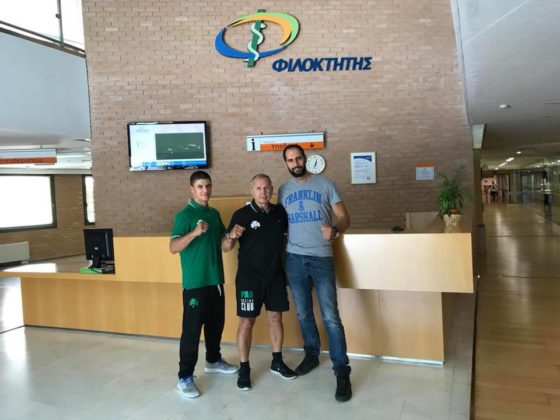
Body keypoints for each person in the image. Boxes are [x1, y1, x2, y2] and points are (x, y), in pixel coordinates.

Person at [278, 144, 352, 402]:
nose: (295, 163)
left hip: (321, 257)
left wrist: (335, 230)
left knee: (331, 317)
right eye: (290, 160)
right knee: (303, 312)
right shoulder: (283, 190)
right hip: (294, 259)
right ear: (286, 164)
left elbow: (344, 217)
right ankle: (311, 354)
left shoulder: (325, 184)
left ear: (305, 159)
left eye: (298, 158)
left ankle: (342, 371)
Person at [222, 174, 297, 391]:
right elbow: (225, 247)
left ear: (271, 190)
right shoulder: (241, 215)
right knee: (246, 322)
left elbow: (286, 239)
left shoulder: (280, 213)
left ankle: (277, 361)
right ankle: (244, 368)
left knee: (275, 318)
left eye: (266, 188)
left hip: (275, 275)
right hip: (249, 279)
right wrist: (232, 236)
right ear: (252, 191)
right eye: (258, 188)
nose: (263, 192)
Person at [169, 170, 238, 398]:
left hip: (215, 280)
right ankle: (184, 377)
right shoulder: (184, 215)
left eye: (208, 186)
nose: (205, 190)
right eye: (200, 186)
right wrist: (194, 233)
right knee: (191, 331)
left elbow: (224, 246)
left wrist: (232, 237)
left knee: (215, 325)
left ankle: (213, 360)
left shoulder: (214, 214)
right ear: (192, 189)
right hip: (195, 283)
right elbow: (173, 247)